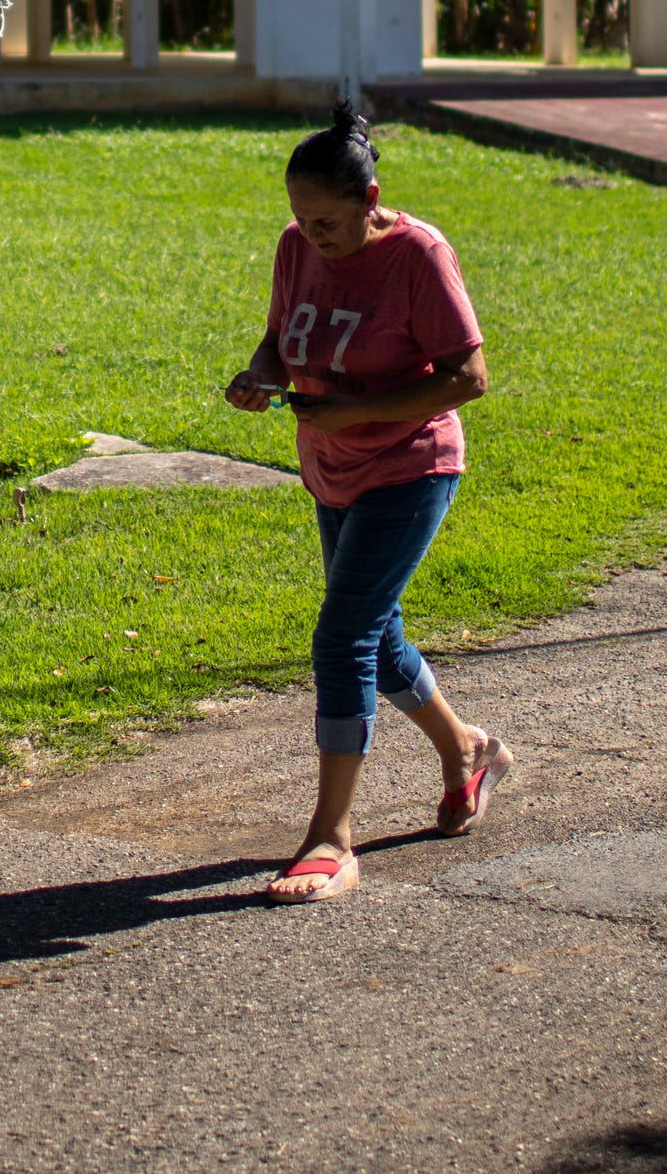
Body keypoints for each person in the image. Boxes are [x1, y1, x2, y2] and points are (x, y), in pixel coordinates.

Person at [225, 101, 511, 905]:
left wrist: (353, 411)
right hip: (332, 467)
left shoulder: (419, 254)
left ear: (371, 196)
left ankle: (332, 837)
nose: (310, 234)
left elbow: (469, 376)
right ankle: (467, 751)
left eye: (327, 221)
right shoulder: (295, 248)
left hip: (411, 466)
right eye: (299, 218)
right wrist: (263, 378)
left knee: (343, 633)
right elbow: (282, 339)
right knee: (377, 642)